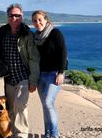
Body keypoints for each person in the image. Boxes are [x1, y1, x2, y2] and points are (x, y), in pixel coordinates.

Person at [0, 3, 40, 138]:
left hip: (24, 77)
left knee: (20, 105)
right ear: (8, 17)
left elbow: (34, 59)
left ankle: (21, 135)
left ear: (22, 16)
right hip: (9, 78)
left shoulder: (27, 35)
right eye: (12, 15)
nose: (15, 18)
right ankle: (11, 135)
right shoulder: (2, 34)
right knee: (11, 109)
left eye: (18, 15)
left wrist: (33, 80)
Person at [32, 10, 68, 138]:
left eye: (40, 19)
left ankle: (54, 134)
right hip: (41, 75)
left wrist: (61, 73)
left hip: (54, 74)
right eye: (35, 21)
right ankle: (47, 133)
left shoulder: (55, 33)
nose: (38, 23)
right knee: (45, 105)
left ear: (46, 19)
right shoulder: (35, 37)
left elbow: (63, 53)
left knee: (48, 102)